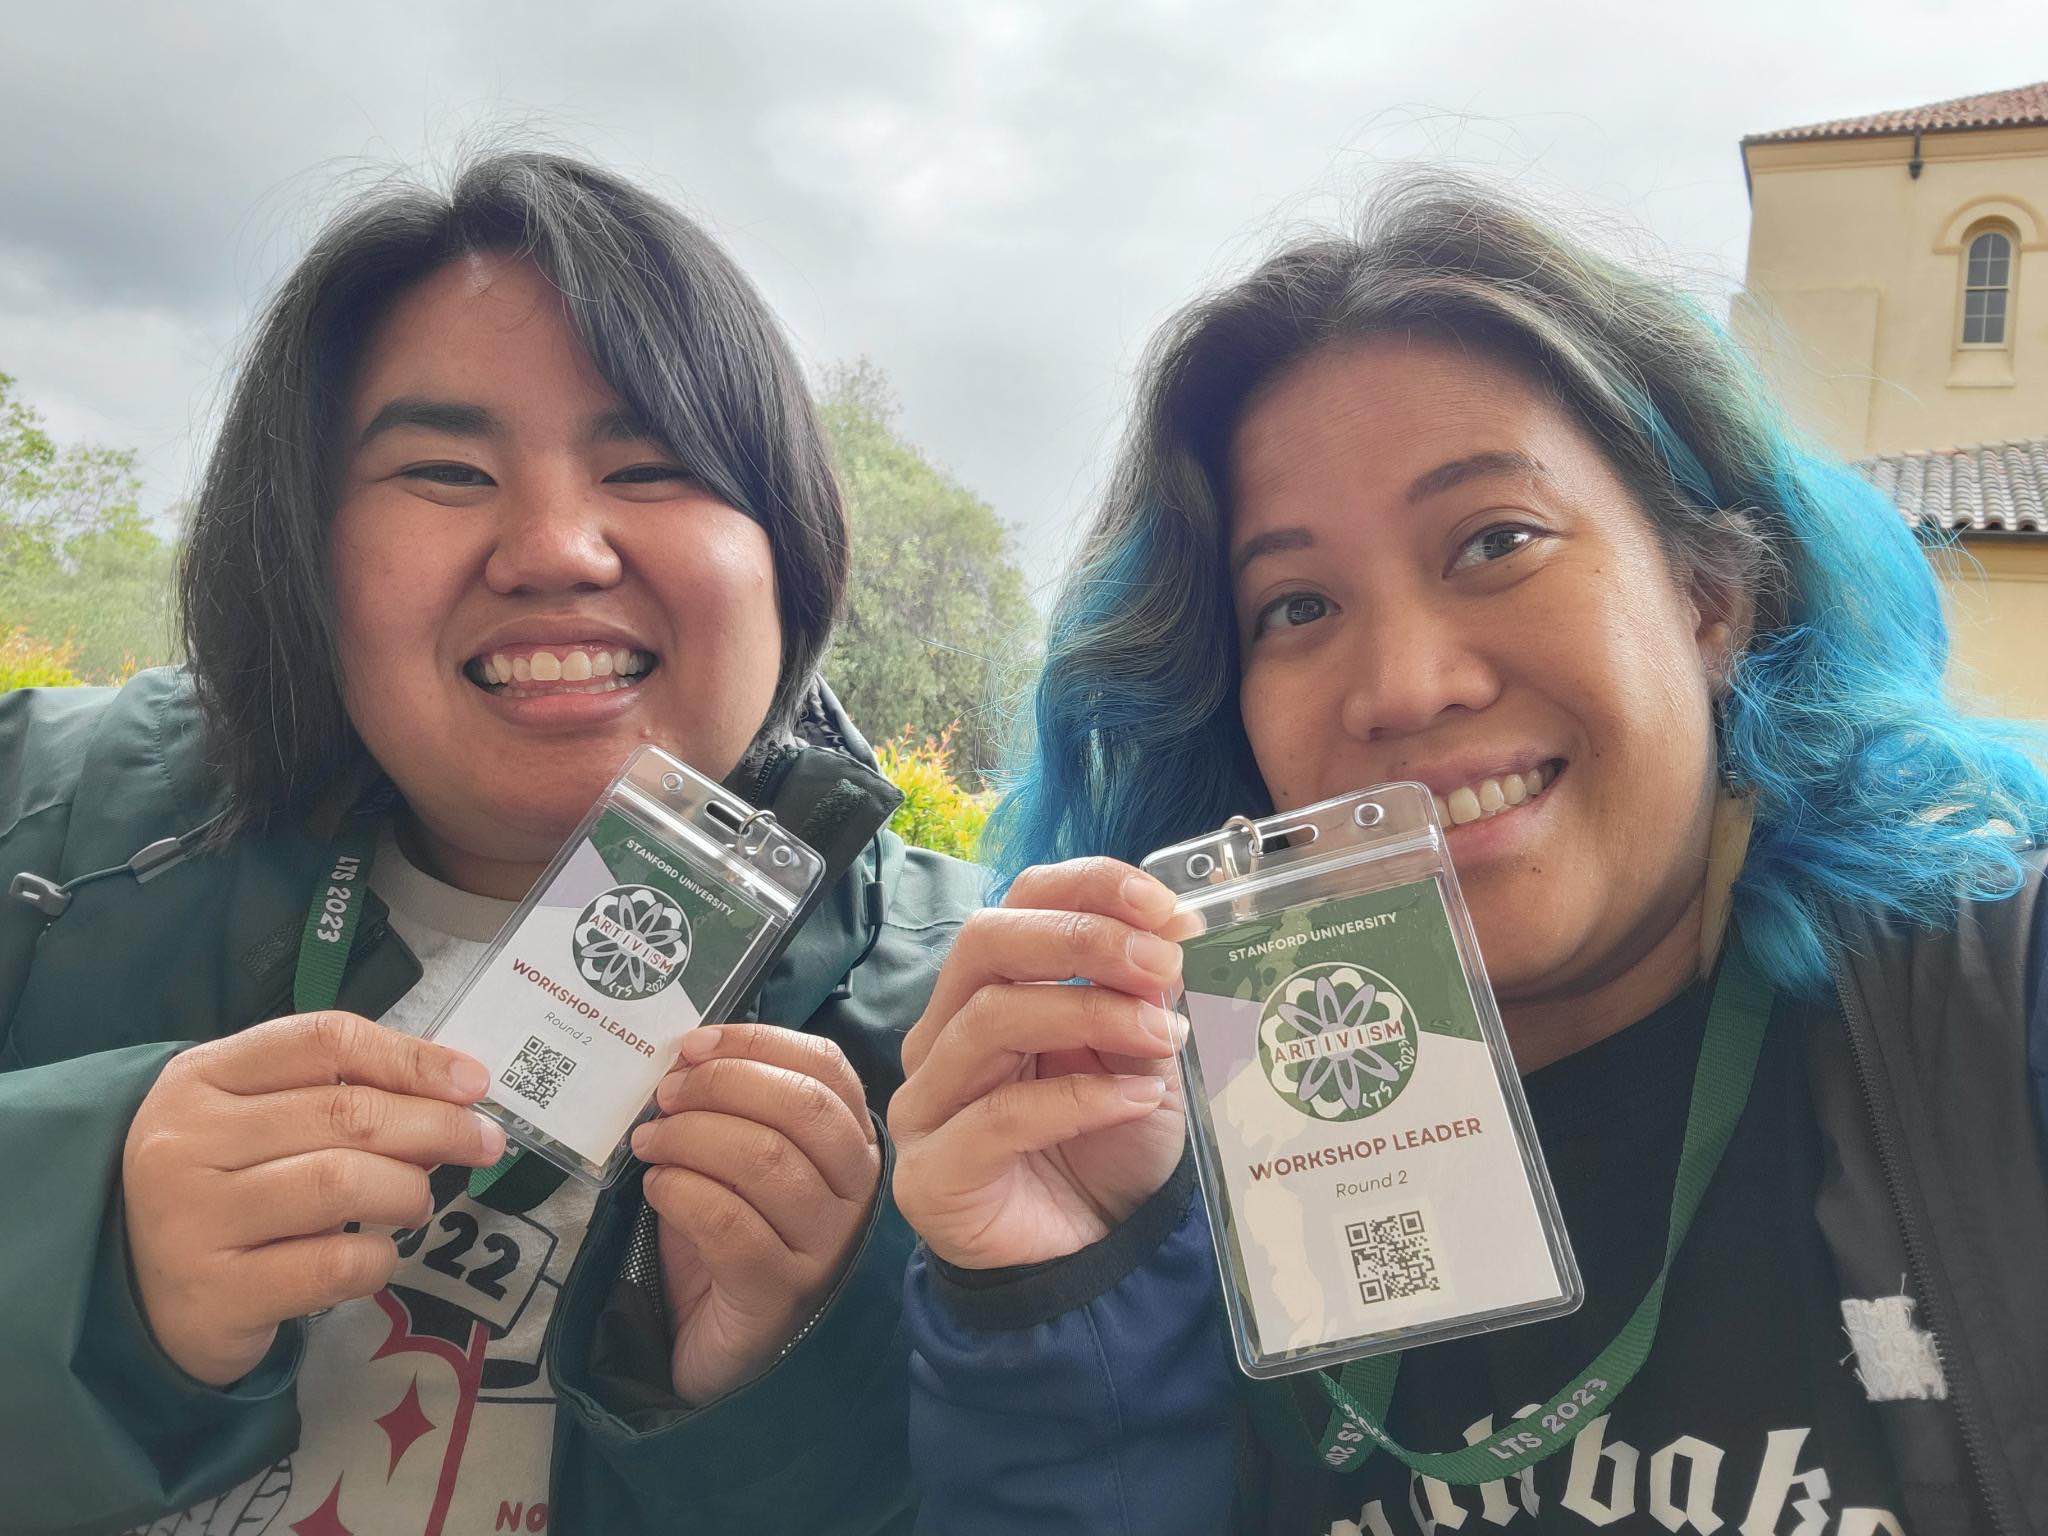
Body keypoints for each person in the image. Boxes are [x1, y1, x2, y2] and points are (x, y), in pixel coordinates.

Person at [889, 175, 2048, 1535]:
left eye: (1496, 540)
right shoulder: (1163, 1146)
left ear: (1712, 598)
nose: (1405, 684)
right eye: (1297, 603)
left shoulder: (1992, 1012)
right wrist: (1061, 1306)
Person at [0, 151, 980, 1535]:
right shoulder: (42, 826)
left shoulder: (972, 1024)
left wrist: (779, 1382)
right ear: (298, 544)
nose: (558, 547)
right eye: (447, 470)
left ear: (788, 552)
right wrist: (74, 1247)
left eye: (653, 467)